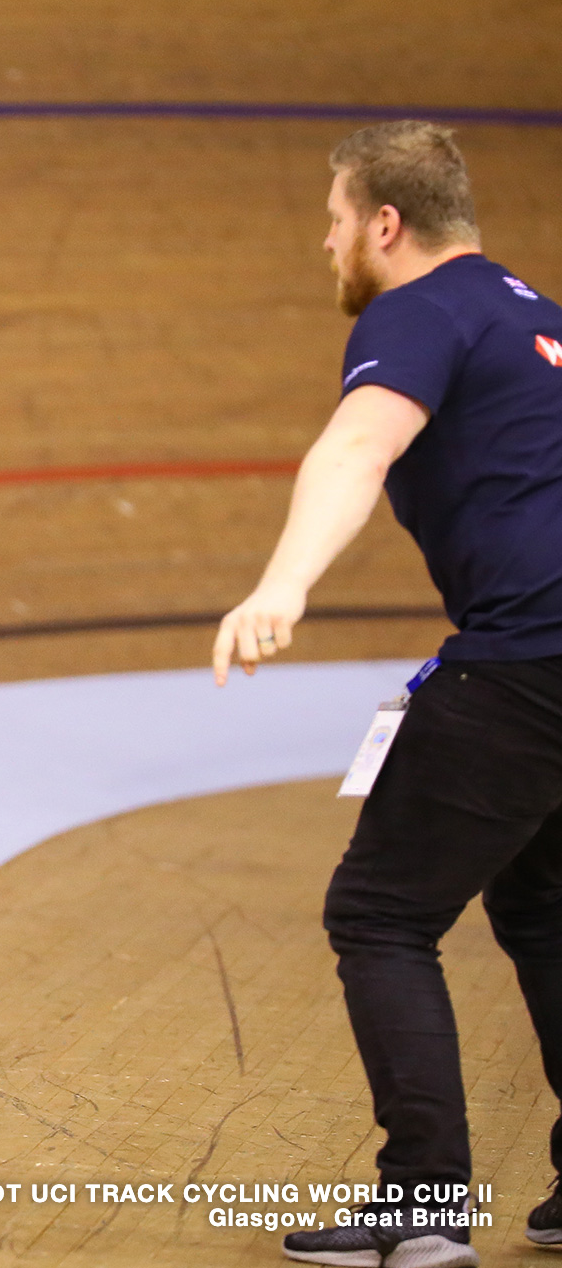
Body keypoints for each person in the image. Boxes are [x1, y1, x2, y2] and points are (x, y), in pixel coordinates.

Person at [213, 121, 562, 1267]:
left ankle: (421, 1201)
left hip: (525, 661)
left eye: (330, 220)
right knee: (543, 907)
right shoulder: (535, 312)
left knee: (380, 914)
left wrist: (279, 584)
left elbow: (356, 445)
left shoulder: (418, 308)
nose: (322, 244)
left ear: (384, 224)